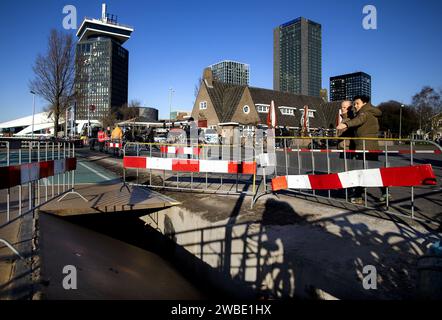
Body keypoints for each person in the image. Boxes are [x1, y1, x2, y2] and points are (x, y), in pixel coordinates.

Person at [336, 95, 387, 205]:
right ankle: (385, 193)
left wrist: (345, 123)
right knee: (370, 172)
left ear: (364, 103)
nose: (355, 105)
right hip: (366, 147)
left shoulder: (365, 113)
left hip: (365, 147)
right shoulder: (366, 112)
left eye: (357, 103)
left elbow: (358, 121)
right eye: (354, 104)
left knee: (362, 172)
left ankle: (358, 195)